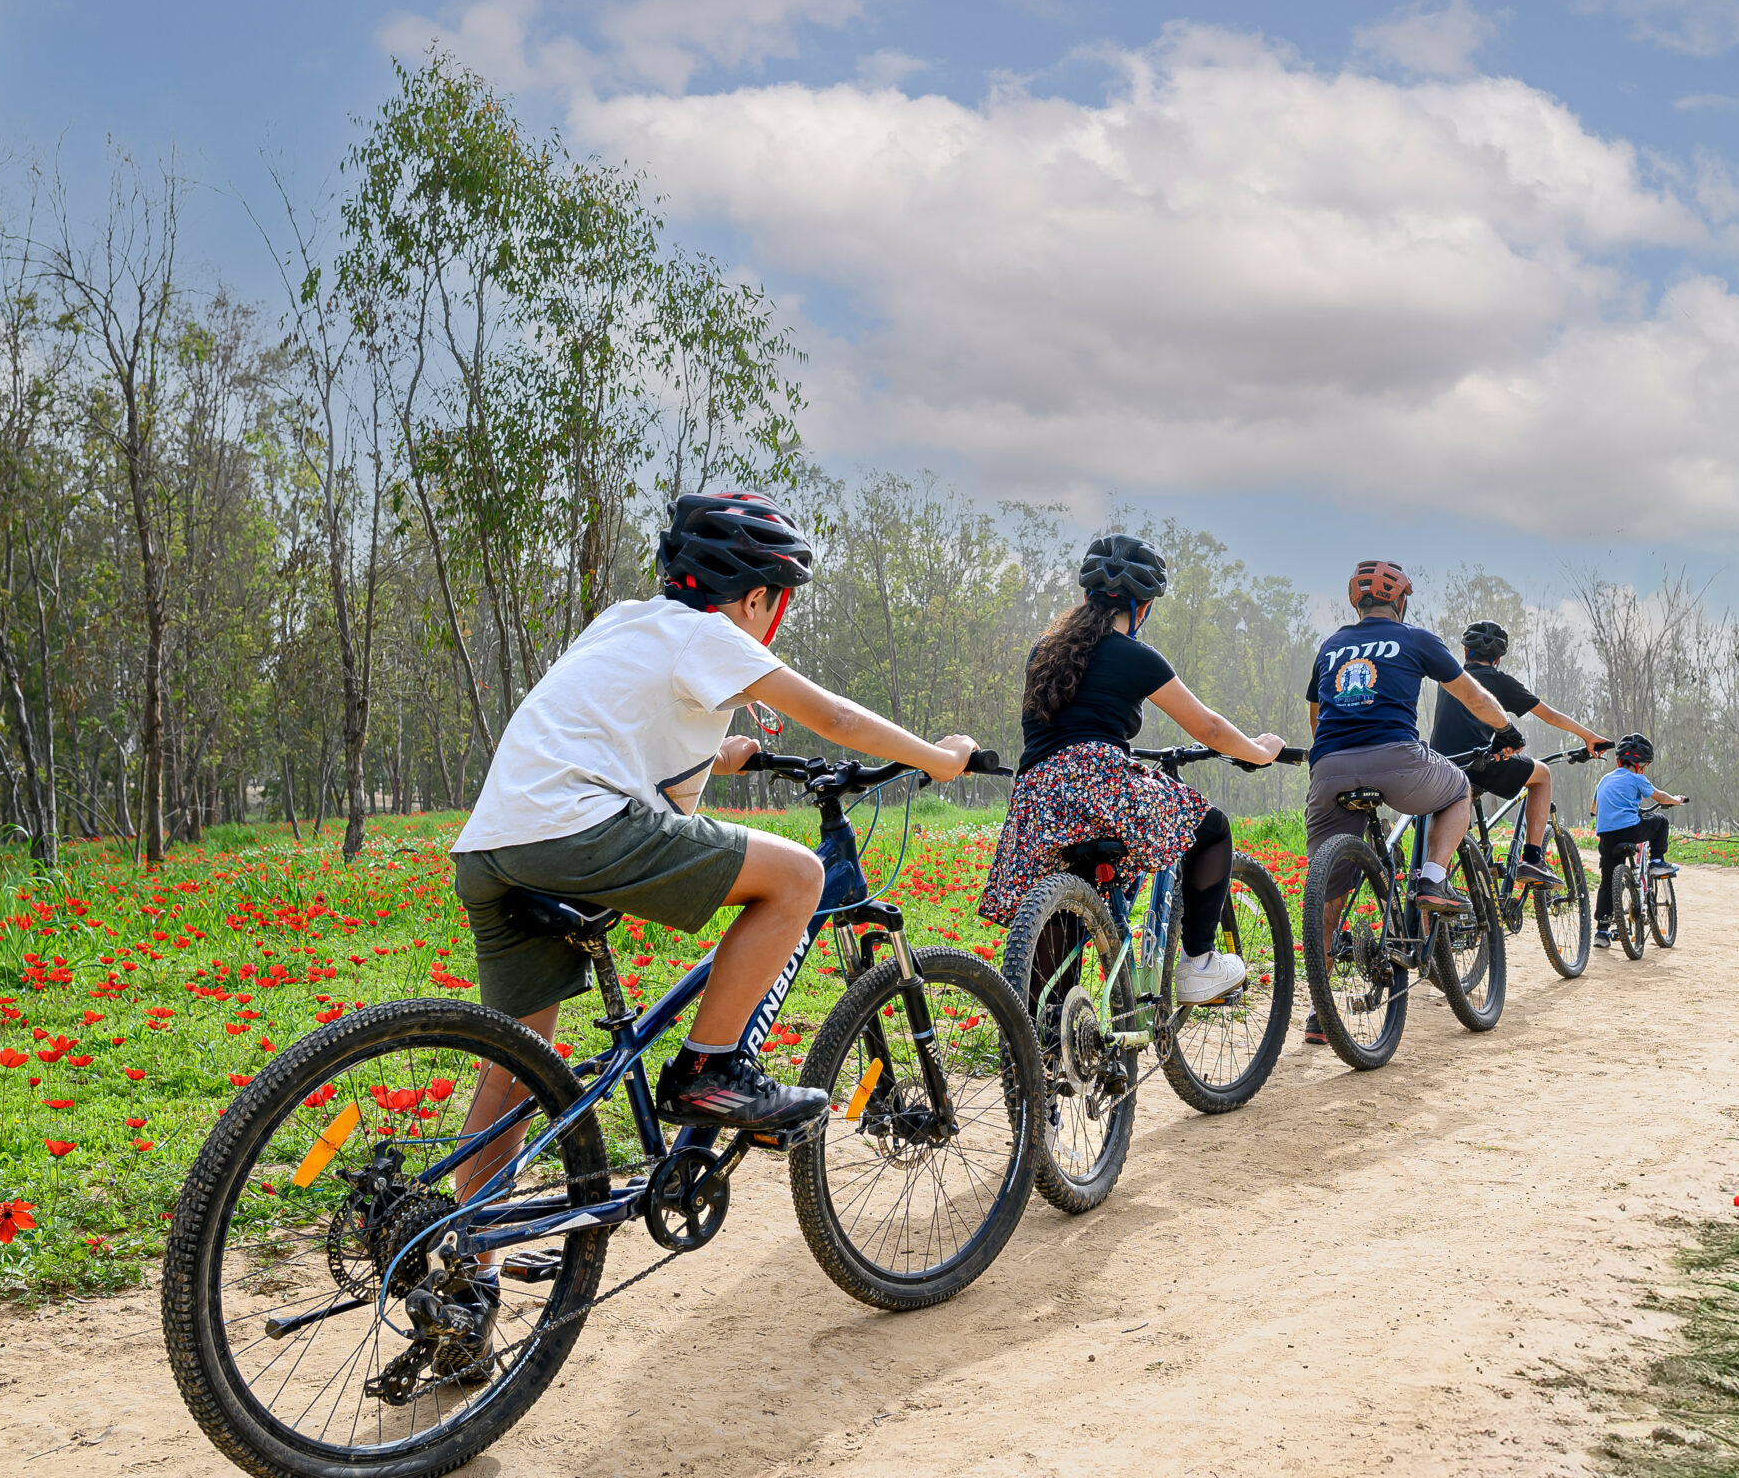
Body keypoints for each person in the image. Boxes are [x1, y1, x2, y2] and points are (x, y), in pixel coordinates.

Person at [452, 491, 981, 1170]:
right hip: (576, 831)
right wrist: (940, 757)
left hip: (494, 844)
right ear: (757, 598)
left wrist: (724, 756)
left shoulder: (624, 620)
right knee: (800, 876)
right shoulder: (712, 636)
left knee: (515, 1075)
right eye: (778, 601)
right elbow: (838, 720)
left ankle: (468, 1260)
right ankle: (709, 1069)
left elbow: (614, 723)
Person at [977, 534, 1285, 1004]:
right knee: (1213, 829)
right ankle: (1200, 964)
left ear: (1085, 598)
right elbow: (1209, 727)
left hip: (1036, 800)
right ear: (1142, 609)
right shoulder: (1136, 656)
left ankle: (1043, 1045)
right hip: (1097, 783)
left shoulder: (1045, 650)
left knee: (1061, 918)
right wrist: (1259, 751)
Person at [1303, 561, 1518, 918]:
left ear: (1356, 602)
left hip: (1328, 768)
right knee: (1459, 789)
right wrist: (1506, 729)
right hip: (1398, 762)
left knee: (1328, 899)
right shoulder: (1414, 638)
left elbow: (1316, 714)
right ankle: (1433, 879)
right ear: (1401, 603)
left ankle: (1319, 968)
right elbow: (1475, 698)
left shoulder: (1330, 646)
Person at [1425, 619, 1612, 887]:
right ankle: (1533, 859)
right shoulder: (1498, 681)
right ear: (1498, 659)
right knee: (1543, 775)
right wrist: (1589, 736)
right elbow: (1550, 715)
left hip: (1441, 767)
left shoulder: (1452, 679)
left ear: (1465, 653)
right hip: (1478, 765)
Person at [1591, 732, 1685, 947]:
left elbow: (1593, 809)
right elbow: (1660, 798)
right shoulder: (1637, 778)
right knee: (1660, 822)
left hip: (1606, 836)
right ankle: (1657, 862)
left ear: (1617, 761)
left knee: (1607, 881)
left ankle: (1602, 931)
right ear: (1642, 766)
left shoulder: (1604, 780)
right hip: (1630, 830)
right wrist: (1676, 801)